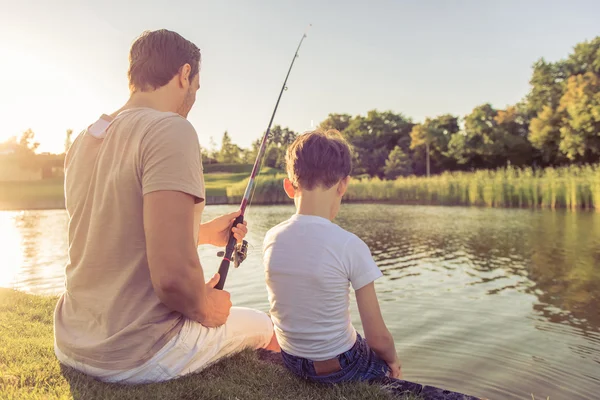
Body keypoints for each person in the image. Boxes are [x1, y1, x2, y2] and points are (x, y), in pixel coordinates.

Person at [53, 29, 278, 384]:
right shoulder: (170, 129)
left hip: (70, 343)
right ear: (185, 74)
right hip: (136, 354)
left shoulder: (85, 139)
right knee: (266, 326)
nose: (193, 97)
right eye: (196, 87)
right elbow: (173, 281)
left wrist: (202, 234)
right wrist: (206, 306)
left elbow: (111, 236)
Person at [262, 129, 402, 384]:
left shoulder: (271, 237)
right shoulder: (349, 245)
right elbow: (378, 338)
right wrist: (391, 359)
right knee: (376, 355)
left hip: (291, 358)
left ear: (288, 186)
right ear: (343, 184)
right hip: (339, 367)